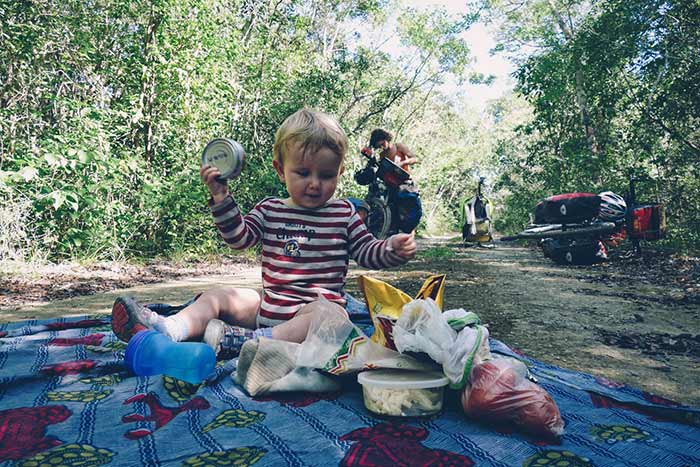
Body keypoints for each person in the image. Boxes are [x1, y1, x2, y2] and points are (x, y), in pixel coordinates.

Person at [111, 108, 417, 359]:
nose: (314, 184)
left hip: (310, 319)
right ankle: (169, 328)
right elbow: (239, 239)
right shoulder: (270, 209)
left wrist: (391, 248)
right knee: (221, 296)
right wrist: (221, 198)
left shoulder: (344, 214)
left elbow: (367, 251)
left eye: (326, 176)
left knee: (334, 315)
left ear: (339, 173)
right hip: (269, 309)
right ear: (281, 170)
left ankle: (251, 342)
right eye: (302, 173)